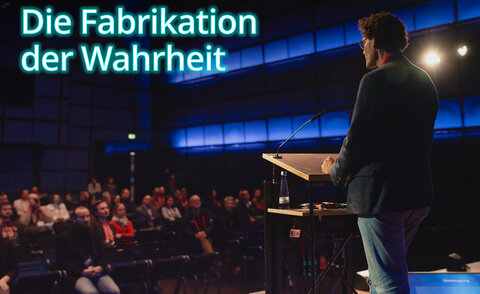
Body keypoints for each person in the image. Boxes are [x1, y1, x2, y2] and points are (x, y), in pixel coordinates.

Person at [321, 12, 438, 294]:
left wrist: (334, 170)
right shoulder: (424, 80)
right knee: (382, 276)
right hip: (417, 195)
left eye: (363, 42)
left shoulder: (374, 80)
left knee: (388, 283)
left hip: (382, 197)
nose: (362, 49)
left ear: (374, 41)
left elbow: (358, 139)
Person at [55, 206, 120, 294]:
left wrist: (101, 267)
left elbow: (103, 254)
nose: (86, 219)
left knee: (114, 291)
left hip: (96, 271)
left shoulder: (96, 233)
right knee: (90, 292)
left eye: (87, 216)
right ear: (74, 219)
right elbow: (62, 261)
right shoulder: (65, 237)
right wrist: (82, 271)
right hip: (77, 274)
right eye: (82, 217)